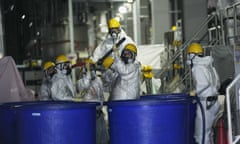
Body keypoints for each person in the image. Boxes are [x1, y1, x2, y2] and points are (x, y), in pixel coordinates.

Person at [187, 43, 220, 144]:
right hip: (214, 102)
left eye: (189, 54)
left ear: (192, 55)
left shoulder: (197, 67)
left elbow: (203, 83)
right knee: (209, 133)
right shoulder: (209, 66)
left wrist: (194, 92)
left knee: (200, 135)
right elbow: (217, 83)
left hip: (205, 104)